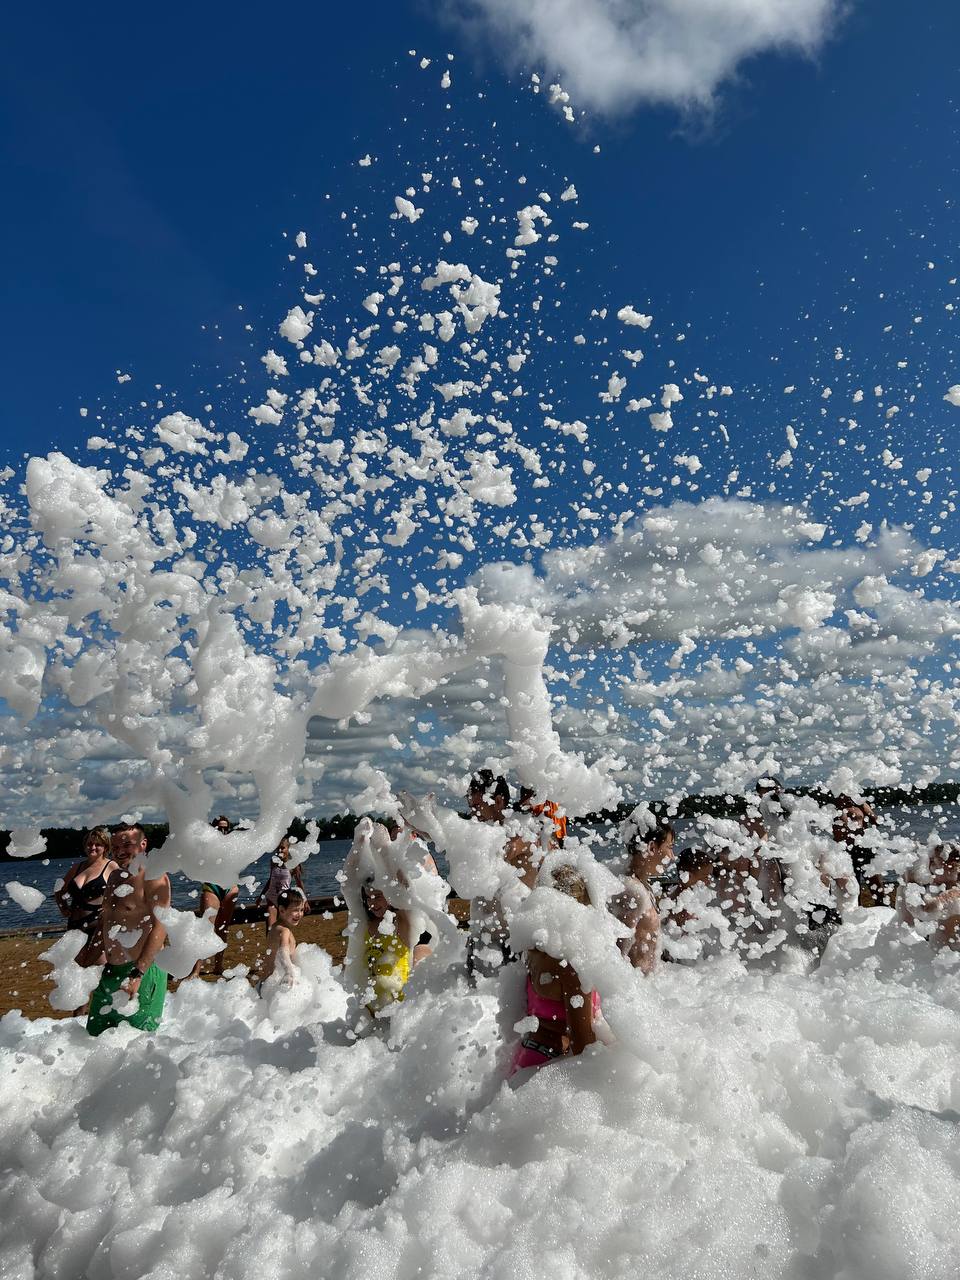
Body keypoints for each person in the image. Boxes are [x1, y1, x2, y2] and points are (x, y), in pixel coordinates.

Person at [511, 864, 599, 1074]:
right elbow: (583, 1047)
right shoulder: (571, 968)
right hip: (552, 1064)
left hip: (528, 1056)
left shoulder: (532, 949)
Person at [86, 824, 171, 1037]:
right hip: (111, 972)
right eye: (115, 845)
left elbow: (161, 926)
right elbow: (105, 922)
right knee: (93, 1039)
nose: (119, 850)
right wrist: (86, 960)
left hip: (141, 972)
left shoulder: (153, 876)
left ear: (143, 844)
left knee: (137, 1046)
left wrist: (138, 974)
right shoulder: (115, 877)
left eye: (127, 844)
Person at [466, 770, 536, 980]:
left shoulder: (520, 833)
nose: (473, 815)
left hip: (515, 945)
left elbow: (506, 850)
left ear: (498, 801)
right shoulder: (481, 836)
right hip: (483, 941)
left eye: (477, 807)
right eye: (471, 808)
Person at [610, 812, 672, 973]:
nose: (672, 856)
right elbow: (617, 955)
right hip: (637, 991)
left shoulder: (642, 887)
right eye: (669, 847)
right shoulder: (631, 892)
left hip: (649, 987)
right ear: (652, 847)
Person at [360, 874, 431, 1014]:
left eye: (377, 896)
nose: (372, 903)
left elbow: (406, 891)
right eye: (368, 898)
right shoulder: (368, 927)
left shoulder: (401, 924)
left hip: (400, 1008)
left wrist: (389, 860)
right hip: (371, 1010)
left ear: (390, 895)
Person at [54, 826, 117, 968]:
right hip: (74, 927)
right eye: (89, 844)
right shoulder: (77, 867)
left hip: (97, 926)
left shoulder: (111, 866)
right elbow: (59, 890)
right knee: (77, 972)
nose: (92, 847)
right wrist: (63, 907)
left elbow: (125, 892)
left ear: (105, 847)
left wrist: (111, 909)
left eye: (98, 844)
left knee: (99, 971)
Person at [189, 816, 240, 979]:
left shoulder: (233, 845)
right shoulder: (206, 844)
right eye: (219, 828)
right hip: (211, 886)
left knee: (223, 928)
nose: (223, 831)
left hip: (230, 887)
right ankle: (196, 970)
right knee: (205, 928)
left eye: (226, 828)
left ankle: (219, 966)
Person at [899, 843, 960, 949]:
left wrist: (911, 879)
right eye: (929, 861)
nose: (929, 868)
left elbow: (922, 912)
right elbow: (907, 921)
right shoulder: (939, 890)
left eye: (934, 863)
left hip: (950, 959)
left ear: (954, 867)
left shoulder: (953, 894)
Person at [257, 886, 306, 991]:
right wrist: (289, 972)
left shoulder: (275, 927)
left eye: (301, 910)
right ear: (282, 910)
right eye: (295, 910)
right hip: (272, 986)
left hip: (266, 984)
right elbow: (282, 951)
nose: (300, 914)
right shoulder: (284, 931)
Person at [256, 835, 308, 934]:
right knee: (270, 928)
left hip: (284, 900)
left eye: (282, 848)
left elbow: (299, 884)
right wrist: (260, 896)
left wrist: (305, 901)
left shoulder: (293, 864)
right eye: (278, 848)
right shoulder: (273, 861)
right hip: (271, 898)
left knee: (282, 929)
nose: (279, 850)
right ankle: (270, 947)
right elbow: (270, 880)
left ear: (288, 849)